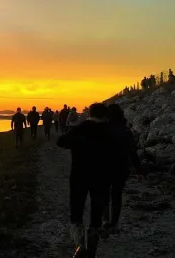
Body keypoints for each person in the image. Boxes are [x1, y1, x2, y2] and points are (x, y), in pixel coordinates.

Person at [57, 103, 112, 258]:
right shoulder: (109, 131)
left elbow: (61, 142)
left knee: (76, 212)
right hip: (101, 178)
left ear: (90, 113)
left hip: (79, 176)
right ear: (105, 115)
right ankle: (92, 250)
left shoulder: (81, 129)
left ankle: (80, 246)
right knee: (96, 213)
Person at [102, 104, 143, 235]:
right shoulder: (126, 131)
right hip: (121, 168)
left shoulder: (102, 129)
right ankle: (114, 223)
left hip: (105, 168)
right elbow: (133, 152)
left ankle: (105, 221)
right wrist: (139, 169)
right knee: (116, 195)